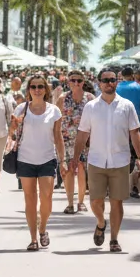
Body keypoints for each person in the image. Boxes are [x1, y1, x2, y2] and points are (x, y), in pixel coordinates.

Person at [69, 67, 140, 253]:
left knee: (116, 201)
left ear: (117, 82)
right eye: (105, 80)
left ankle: (114, 239)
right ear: (99, 83)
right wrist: (75, 157)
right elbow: (82, 134)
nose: (109, 83)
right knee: (95, 201)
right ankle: (101, 223)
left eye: (112, 80)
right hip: (96, 160)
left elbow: (134, 132)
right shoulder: (91, 107)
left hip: (120, 160)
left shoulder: (127, 106)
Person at [9, 73, 64, 251]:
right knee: (30, 199)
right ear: (29, 90)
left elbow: (58, 136)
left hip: (47, 158)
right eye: (33, 87)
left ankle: (42, 228)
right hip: (25, 159)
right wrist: (14, 125)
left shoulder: (54, 110)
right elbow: (12, 134)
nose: (37, 90)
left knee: (46, 197)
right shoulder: (20, 109)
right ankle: (33, 238)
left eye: (41, 87)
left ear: (46, 90)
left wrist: (63, 160)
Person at [55, 70, 94, 213]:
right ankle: (70, 203)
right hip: (66, 140)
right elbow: (56, 121)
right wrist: (55, 137)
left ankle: (81, 202)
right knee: (68, 171)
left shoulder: (90, 98)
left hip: (85, 140)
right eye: (73, 80)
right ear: (68, 82)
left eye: (79, 80)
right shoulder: (62, 98)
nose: (76, 83)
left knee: (82, 169)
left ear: (83, 82)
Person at [116, 66, 140, 198]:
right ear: (133, 75)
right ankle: (134, 187)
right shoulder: (139, 87)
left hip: (119, 125)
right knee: (137, 154)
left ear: (122, 75)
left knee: (120, 153)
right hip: (136, 125)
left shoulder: (117, 88)